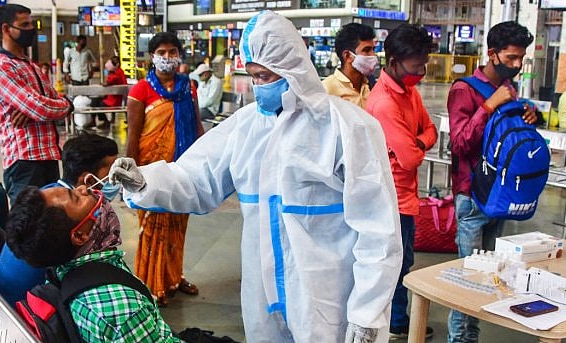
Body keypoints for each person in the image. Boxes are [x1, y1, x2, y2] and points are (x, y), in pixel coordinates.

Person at [111, 11, 402, 342]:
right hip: (261, 296)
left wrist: (367, 313)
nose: (259, 86)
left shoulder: (348, 128)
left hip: (327, 299)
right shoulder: (246, 126)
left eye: (266, 76)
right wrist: (146, 182)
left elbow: (379, 230)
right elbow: (196, 177)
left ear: (292, 67)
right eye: (253, 76)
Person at [446, 21, 536, 343]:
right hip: (472, 198)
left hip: (498, 196)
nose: (516, 65)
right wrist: (488, 106)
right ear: (493, 53)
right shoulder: (464, 89)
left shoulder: (510, 91)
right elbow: (459, 144)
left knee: (488, 280)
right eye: (511, 58)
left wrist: (527, 113)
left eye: (521, 58)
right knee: (465, 281)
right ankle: (458, 340)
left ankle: (472, 338)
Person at [5, 186, 181, 342]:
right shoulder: (121, 310)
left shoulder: (65, 268)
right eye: (76, 197)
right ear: (80, 236)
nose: (83, 188)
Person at [365, 24, 438, 340]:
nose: (420, 71)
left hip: (406, 197)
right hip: (389, 198)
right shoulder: (384, 103)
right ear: (393, 61)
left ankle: (395, 319)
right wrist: (417, 144)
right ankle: (394, 323)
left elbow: (431, 131)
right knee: (393, 264)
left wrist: (416, 142)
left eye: (423, 64)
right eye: (415, 65)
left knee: (403, 261)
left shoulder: (410, 93)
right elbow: (409, 159)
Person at [125, 31, 204, 307]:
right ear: (152, 57)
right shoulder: (140, 91)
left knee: (177, 228)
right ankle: (150, 285)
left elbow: (196, 124)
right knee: (152, 228)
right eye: (162, 52)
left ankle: (173, 277)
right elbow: (133, 136)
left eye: (173, 52)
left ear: (179, 55)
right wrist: (129, 174)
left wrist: (204, 159)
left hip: (182, 170)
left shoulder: (188, 87)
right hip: (151, 172)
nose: (168, 58)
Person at [0, 133, 120, 304]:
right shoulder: (57, 224)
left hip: (6, 303)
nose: (118, 177)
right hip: (25, 316)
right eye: (113, 171)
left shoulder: (49, 195)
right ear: (87, 180)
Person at [0, 4, 73, 204]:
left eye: (31, 23)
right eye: (24, 24)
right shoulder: (2, 67)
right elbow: (40, 108)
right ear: (7, 29)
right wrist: (65, 105)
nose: (31, 29)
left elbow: (48, 101)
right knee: (29, 227)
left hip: (47, 156)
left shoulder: (30, 65)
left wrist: (41, 107)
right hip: (24, 162)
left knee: (50, 223)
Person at [322, 23, 377, 108]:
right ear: (347, 56)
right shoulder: (327, 90)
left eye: (373, 49)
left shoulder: (371, 86)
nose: (373, 55)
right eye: (366, 50)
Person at [99, 56, 128, 128]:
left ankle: (105, 122)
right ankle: (111, 120)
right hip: (117, 97)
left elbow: (109, 82)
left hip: (115, 99)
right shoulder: (119, 72)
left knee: (98, 103)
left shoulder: (116, 74)